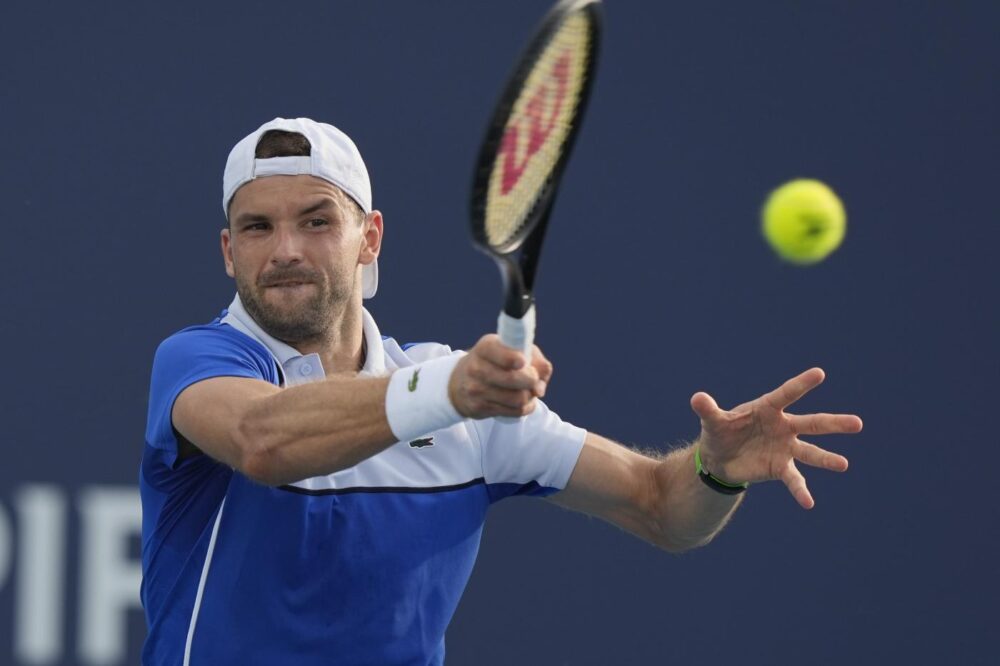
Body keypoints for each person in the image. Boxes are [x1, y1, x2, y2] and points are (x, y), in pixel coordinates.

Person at [140, 117, 863, 665]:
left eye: (317, 220)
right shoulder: (200, 361)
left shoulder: (468, 411)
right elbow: (262, 440)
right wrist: (448, 389)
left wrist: (714, 469)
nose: (286, 249)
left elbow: (662, 507)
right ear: (230, 253)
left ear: (371, 238)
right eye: (257, 228)